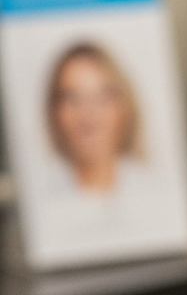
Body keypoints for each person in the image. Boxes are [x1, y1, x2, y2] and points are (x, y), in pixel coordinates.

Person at [45, 42, 145, 194]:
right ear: (54, 112)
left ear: (125, 107)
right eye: (73, 99)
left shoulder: (160, 195)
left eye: (101, 98)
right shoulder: (42, 200)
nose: (88, 114)